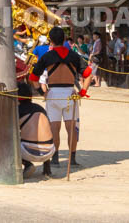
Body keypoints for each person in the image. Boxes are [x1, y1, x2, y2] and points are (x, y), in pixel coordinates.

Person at [29, 26, 93, 169]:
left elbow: (33, 78)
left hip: (53, 94)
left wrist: (42, 93)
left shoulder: (47, 56)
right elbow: (88, 74)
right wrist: (82, 92)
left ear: (51, 41)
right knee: (71, 128)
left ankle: (55, 159)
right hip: (70, 93)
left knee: (54, 128)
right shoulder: (74, 55)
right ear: (64, 39)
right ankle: (73, 159)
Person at [17, 81, 55, 179]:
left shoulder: (17, 110)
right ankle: (47, 168)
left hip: (29, 153)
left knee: (9, 141)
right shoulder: (40, 108)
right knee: (42, 132)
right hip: (50, 151)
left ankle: (27, 164)